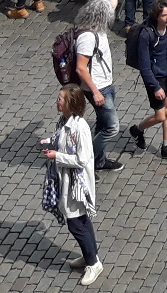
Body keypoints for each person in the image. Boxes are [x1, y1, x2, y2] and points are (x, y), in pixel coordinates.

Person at [41, 84, 104, 285]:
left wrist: (56, 156)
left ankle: (93, 263)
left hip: (77, 185)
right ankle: (90, 255)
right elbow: (61, 140)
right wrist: (51, 143)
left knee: (76, 223)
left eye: (60, 99)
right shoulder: (64, 121)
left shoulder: (80, 128)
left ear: (71, 103)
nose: (56, 102)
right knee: (81, 221)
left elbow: (82, 159)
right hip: (67, 181)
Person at [70, 0, 125, 172]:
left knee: (102, 124)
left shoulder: (97, 27)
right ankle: (86, 160)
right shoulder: (87, 37)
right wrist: (95, 92)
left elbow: (115, 1)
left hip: (106, 84)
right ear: (102, 16)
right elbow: (81, 68)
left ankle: (99, 162)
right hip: (98, 87)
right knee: (112, 127)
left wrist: (101, 3)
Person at [128, 0, 167, 161]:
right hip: (154, 77)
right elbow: (145, 66)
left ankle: (166, 147)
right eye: (164, 15)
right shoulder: (146, 34)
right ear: (156, 16)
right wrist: (155, 87)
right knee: (160, 116)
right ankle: (137, 130)